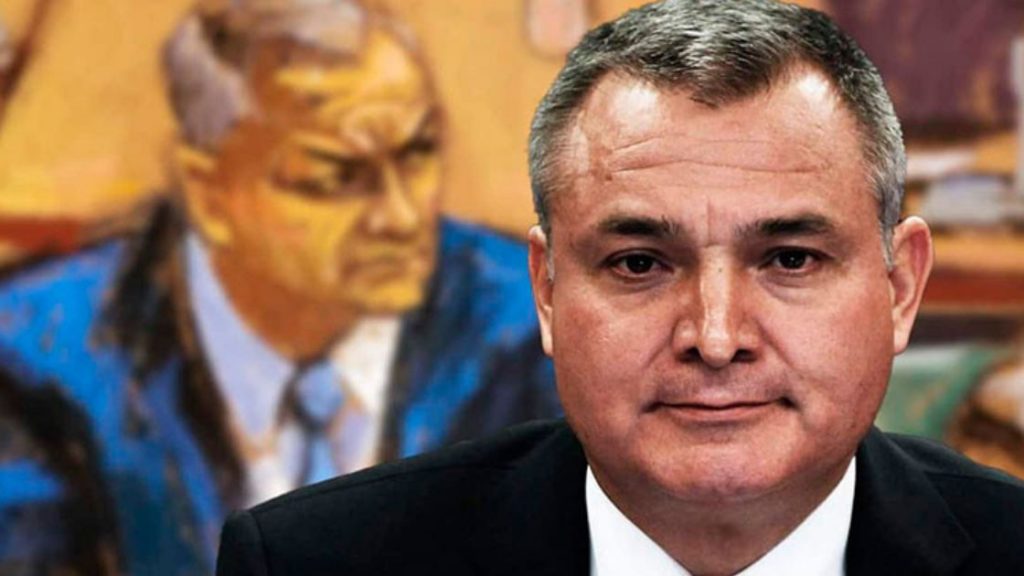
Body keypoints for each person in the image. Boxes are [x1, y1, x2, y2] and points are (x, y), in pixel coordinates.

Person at [215, 0, 1024, 575]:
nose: (716, 338)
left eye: (789, 260)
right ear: (547, 292)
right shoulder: (312, 562)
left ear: (900, 287)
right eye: (640, 264)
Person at [0, 1, 557, 573]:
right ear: (209, 194)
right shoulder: (37, 364)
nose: (402, 216)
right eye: (336, 178)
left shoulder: (531, 327)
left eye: (417, 155)